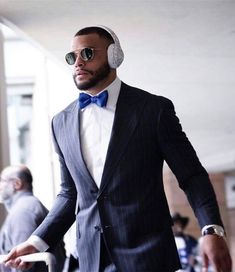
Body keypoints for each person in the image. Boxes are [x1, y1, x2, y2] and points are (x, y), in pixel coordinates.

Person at [3, 25, 232, 272]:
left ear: (114, 56)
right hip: (91, 261)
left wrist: (212, 229)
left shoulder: (153, 110)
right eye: (72, 57)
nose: (78, 62)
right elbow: (70, 194)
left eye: (87, 53)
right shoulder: (61, 122)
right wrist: (37, 242)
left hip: (148, 257)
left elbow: (192, 176)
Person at [0, 165, 66, 271]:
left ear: (17, 184)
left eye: (2, 180)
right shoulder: (29, 206)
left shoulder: (23, 212)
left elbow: (23, 265)